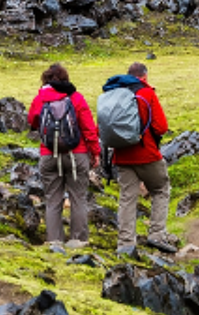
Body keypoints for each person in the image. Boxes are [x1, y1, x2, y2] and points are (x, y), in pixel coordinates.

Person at [103, 61, 173, 255]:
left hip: (121, 155)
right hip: (147, 153)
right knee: (161, 189)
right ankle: (157, 234)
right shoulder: (146, 93)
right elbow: (161, 127)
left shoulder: (114, 95)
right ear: (144, 77)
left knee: (127, 198)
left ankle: (125, 243)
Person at [27, 63, 98, 248]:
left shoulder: (40, 98)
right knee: (78, 197)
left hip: (49, 154)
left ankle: (54, 240)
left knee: (52, 199)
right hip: (77, 154)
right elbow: (88, 128)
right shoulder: (76, 97)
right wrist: (95, 152)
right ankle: (78, 239)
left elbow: (32, 121)